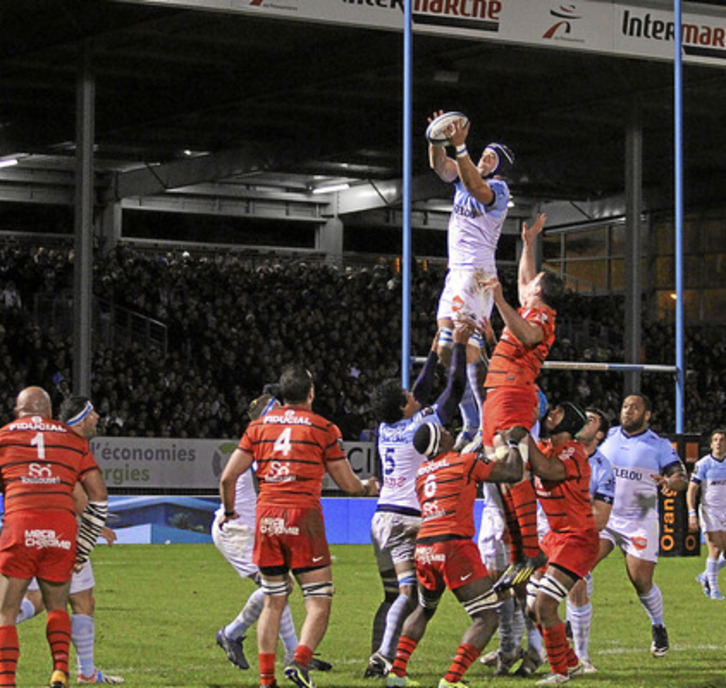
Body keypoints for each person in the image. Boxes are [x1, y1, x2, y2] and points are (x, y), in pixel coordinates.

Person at [219, 365, 379, 688]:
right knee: (319, 599)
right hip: (302, 516)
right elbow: (348, 484)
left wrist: (230, 511)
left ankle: (267, 680)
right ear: (311, 393)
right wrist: (367, 488)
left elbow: (227, 477)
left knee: (273, 601)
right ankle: (300, 662)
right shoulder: (323, 428)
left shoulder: (257, 428)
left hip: (268, 517)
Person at [365, 324, 473, 678]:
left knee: (393, 593)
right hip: (409, 518)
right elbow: (455, 388)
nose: (413, 395)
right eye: (407, 396)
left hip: (381, 519)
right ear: (403, 406)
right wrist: (458, 347)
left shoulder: (385, 427)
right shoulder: (419, 429)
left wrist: (431, 355)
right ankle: (385, 655)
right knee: (410, 594)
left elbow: (420, 391)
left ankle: (378, 654)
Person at [385, 422, 524, 688]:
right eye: (446, 432)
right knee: (487, 617)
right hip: (453, 546)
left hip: (425, 548)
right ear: (439, 442)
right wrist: (515, 443)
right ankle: (451, 680)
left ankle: (397, 674)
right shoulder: (465, 462)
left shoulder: (422, 473)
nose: (452, 433)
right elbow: (513, 473)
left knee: (424, 609)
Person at [212, 393, 332, 673]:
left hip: (253, 527)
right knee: (277, 589)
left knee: (278, 589)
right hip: (237, 530)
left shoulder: (262, 441)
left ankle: (285, 650)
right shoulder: (263, 445)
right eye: (277, 408)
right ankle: (239, 637)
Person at [0, 387, 108, 688]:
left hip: (20, 525)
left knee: (6, 611)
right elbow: (99, 496)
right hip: (60, 529)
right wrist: (83, 548)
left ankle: (6, 681)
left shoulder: (4, 436)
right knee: (57, 606)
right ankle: (60, 670)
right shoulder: (72, 440)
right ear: (49, 412)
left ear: (18, 411)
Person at [480, 213, 565, 588]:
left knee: (513, 466)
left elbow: (529, 335)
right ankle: (519, 553)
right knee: (501, 475)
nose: (526, 284)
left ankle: (530, 550)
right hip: (497, 393)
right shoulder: (531, 306)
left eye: (534, 282)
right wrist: (528, 244)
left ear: (540, 291)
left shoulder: (542, 315)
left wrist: (498, 299)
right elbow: (522, 281)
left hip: (513, 391)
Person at [428, 110, 514, 449]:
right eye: (484, 153)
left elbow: (476, 187)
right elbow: (440, 166)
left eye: (492, 157)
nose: (484, 158)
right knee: (443, 348)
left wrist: (460, 147)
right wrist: (436, 138)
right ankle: (471, 419)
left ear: (500, 168)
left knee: (466, 349)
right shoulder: (464, 177)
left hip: (477, 274)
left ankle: (486, 421)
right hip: (456, 273)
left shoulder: (498, 189)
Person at [597, 393, 687, 657]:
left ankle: (658, 625)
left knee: (641, 581)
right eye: (625, 406)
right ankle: (573, 626)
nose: (628, 410)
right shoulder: (608, 436)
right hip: (605, 517)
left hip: (639, 520)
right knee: (578, 566)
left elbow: (680, 477)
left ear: (647, 415)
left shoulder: (658, 445)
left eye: (635, 407)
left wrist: (670, 482)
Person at [520, 401, 595, 685]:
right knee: (531, 607)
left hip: (578, 537)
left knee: (545, 604)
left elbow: (547, 470)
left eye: (558, 412)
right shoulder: (545, 448)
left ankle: (559, 672)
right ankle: (571, 662)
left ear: (569, 422)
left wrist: (523, 432)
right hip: (554, 537)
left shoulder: (574, 452)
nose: (551, 413)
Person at [563, 406, 614, 674]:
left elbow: (601, 519)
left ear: (600, 434)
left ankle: (580, 656)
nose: (584, 421)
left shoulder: (603, 469)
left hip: (575, 533)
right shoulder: (558, 451)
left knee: (578, 585)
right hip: (544, 528)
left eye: (592, 420)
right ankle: (517, 648)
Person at [688, 428, 726, 600]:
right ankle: (714, 590)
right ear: (711, 444)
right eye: (715, 440)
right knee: (715, 549)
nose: (719, 443)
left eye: (722, 440)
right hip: (710, 511)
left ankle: (705, 576)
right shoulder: (703, 464)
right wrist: (692, 513)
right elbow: (692, 490)